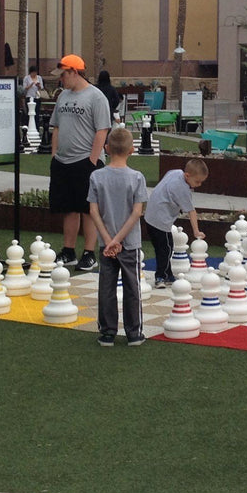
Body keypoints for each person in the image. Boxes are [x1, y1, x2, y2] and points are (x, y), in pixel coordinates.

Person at [49, 54, 112, 272]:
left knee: (88, 209)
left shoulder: (96, 97)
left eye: (64, 74)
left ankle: (89, 253)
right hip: (63, 162)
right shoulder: (63, 96)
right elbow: (56, 126)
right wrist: (54, 154)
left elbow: (102, 130)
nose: (61, 79)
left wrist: (92, 161)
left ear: (75, 72)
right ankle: (68, 251)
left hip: (85, 162)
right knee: (69, 208)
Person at [88, 127, 149, 347]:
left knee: (106, 286)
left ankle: (107, 332)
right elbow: (137, 213)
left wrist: (108, 239)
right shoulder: (137, 177)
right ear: (132, 150)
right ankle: (134, 333)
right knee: (132, 287)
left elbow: (93, 212)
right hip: (129, 243)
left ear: (106, 148)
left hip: (105, 243)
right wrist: (119, 240)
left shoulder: (96, 176)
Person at [144, 159, 209, 287]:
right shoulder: (182, 189)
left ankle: (167, 275)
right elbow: (191, 211)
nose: (199, 184)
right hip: (160, 221)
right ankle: (160, 277)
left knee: (161, 248)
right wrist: (196, 231)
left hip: (150, 216)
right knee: (166, 249)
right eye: (197, 181)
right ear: (187, 176)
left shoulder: (175, 172)